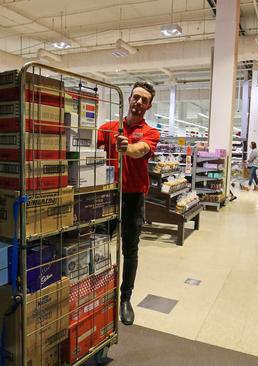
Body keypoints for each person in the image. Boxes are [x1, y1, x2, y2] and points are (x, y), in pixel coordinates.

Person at [97, 81, 160, 326]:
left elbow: (141, 149)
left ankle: (125, 298)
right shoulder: (109, 128)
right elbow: (88, 143)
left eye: (144, 100)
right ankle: (100, 290)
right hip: (108, 195)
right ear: (130, 98)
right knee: (100, 243)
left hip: (133, 197)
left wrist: (128, 147)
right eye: (136, 97)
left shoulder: (151, 132)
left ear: (149, 105)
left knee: (130, 250)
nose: (139, 103)